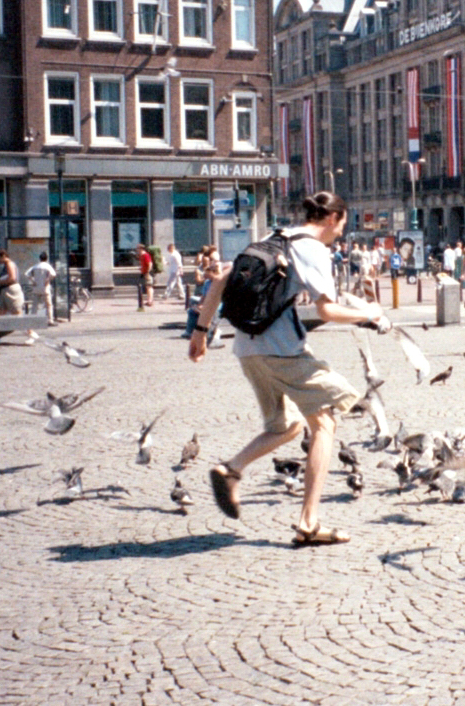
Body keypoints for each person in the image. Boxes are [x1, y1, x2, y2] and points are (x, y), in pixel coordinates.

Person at [190, 191, 388, 546]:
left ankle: (230, 470)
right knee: (325, 420)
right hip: (282, 351)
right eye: (342, 225)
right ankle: (309, 522)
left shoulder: (273, 237)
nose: (341, 233)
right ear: (332, 219)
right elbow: (328, 311)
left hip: (247, 349)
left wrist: (200, 332)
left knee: (289, 426)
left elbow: (221, 280)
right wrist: (370, 314)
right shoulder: (313, 249)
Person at [25, 251, 57, 323]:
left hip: (36, 288)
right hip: (45, 288)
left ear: (40, 258)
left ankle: (33, 319)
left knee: (35, 305)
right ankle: (50, 320)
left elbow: (27, 274)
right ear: (46, 258)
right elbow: (53, 274)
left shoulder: (36, 266)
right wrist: (47, 280)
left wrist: (33, 281)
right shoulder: (47, 266)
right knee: (48, 304)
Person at [0, 248, 25, 315]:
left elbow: (12, 278)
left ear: (3, 256)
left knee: (15, 311)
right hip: (4, 290)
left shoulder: (9, 263)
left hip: (11, 290)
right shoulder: (6, 265)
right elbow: (6, 276)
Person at [136, 244, 155, 308]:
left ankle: (150, 301)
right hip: (144, 272)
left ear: (141, 249)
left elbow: (150, 264)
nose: (137, 250)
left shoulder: (145, 255)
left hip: (147, 273)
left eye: (138, 248)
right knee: (147, 287)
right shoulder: (142, 256)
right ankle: (149, 300)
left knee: (149, 287)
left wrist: (147, 272)